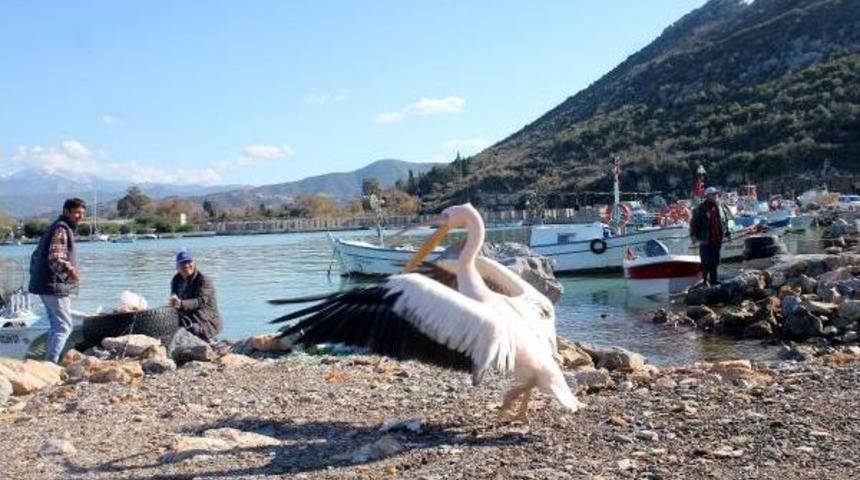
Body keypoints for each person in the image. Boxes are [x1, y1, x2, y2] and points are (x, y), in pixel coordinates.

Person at [28, 198, 86, 363]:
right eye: (76, 212)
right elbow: (55, 258)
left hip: (44, 285)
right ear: (66, 211)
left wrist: (37, 276)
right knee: (64, 327)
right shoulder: (61, 229)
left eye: (82, 213)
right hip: (53, 286)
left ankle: (48, 362)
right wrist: (71, 272)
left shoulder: (55, 227)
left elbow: (35, 255)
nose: (80, 216)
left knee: (56, 326)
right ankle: (51, 364)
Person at [169, 249, 222, 342]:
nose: (186, 265)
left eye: (189, 262)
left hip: (205, 320)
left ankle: (208, 341)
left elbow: (200, 301)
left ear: (194, 263)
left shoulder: (204, 280)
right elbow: (174, 294)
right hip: (186, 317)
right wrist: (173, 300)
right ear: (177, 267)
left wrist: (181, 304)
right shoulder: (176, 280)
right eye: (182, 263)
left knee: (191, 329)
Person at [690, 187, 732, 286]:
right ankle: (704, 280)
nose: (715, 196)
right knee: (705, 261)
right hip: (705, 239)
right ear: (707, 196)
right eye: (713, 194)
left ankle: (714, 280)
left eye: (716, 194)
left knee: (715, 260)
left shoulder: (721, 207)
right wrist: (694, 236)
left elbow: (725, 221)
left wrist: (727, 233)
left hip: (717, 238)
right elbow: (693, 223)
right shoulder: (700, 208)